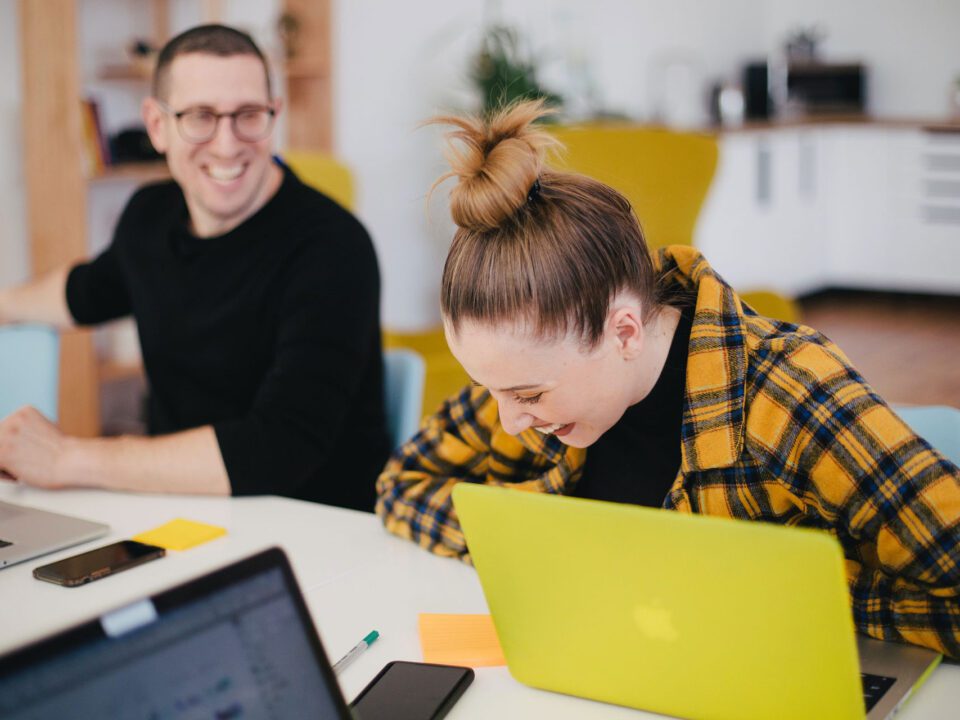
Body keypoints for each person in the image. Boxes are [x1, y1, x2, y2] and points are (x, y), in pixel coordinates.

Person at [375, 100, 960, 658]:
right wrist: (546, 545)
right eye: (491, 390)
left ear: (624, 332)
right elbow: (403, 483)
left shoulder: (787, 395)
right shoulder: (535, 379)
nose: (509, 419)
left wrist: (788, 591)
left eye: (527, 394)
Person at [0, 25, 389, 510]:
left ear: (275, 116)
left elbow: (280, 448)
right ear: (158, 126)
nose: (226, 145)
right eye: (200, 117)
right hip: (180, 512)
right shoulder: (149, 216)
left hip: (314, 530)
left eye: (248, 115)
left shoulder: (334, 247)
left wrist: (67, 458)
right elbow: (85, 292)